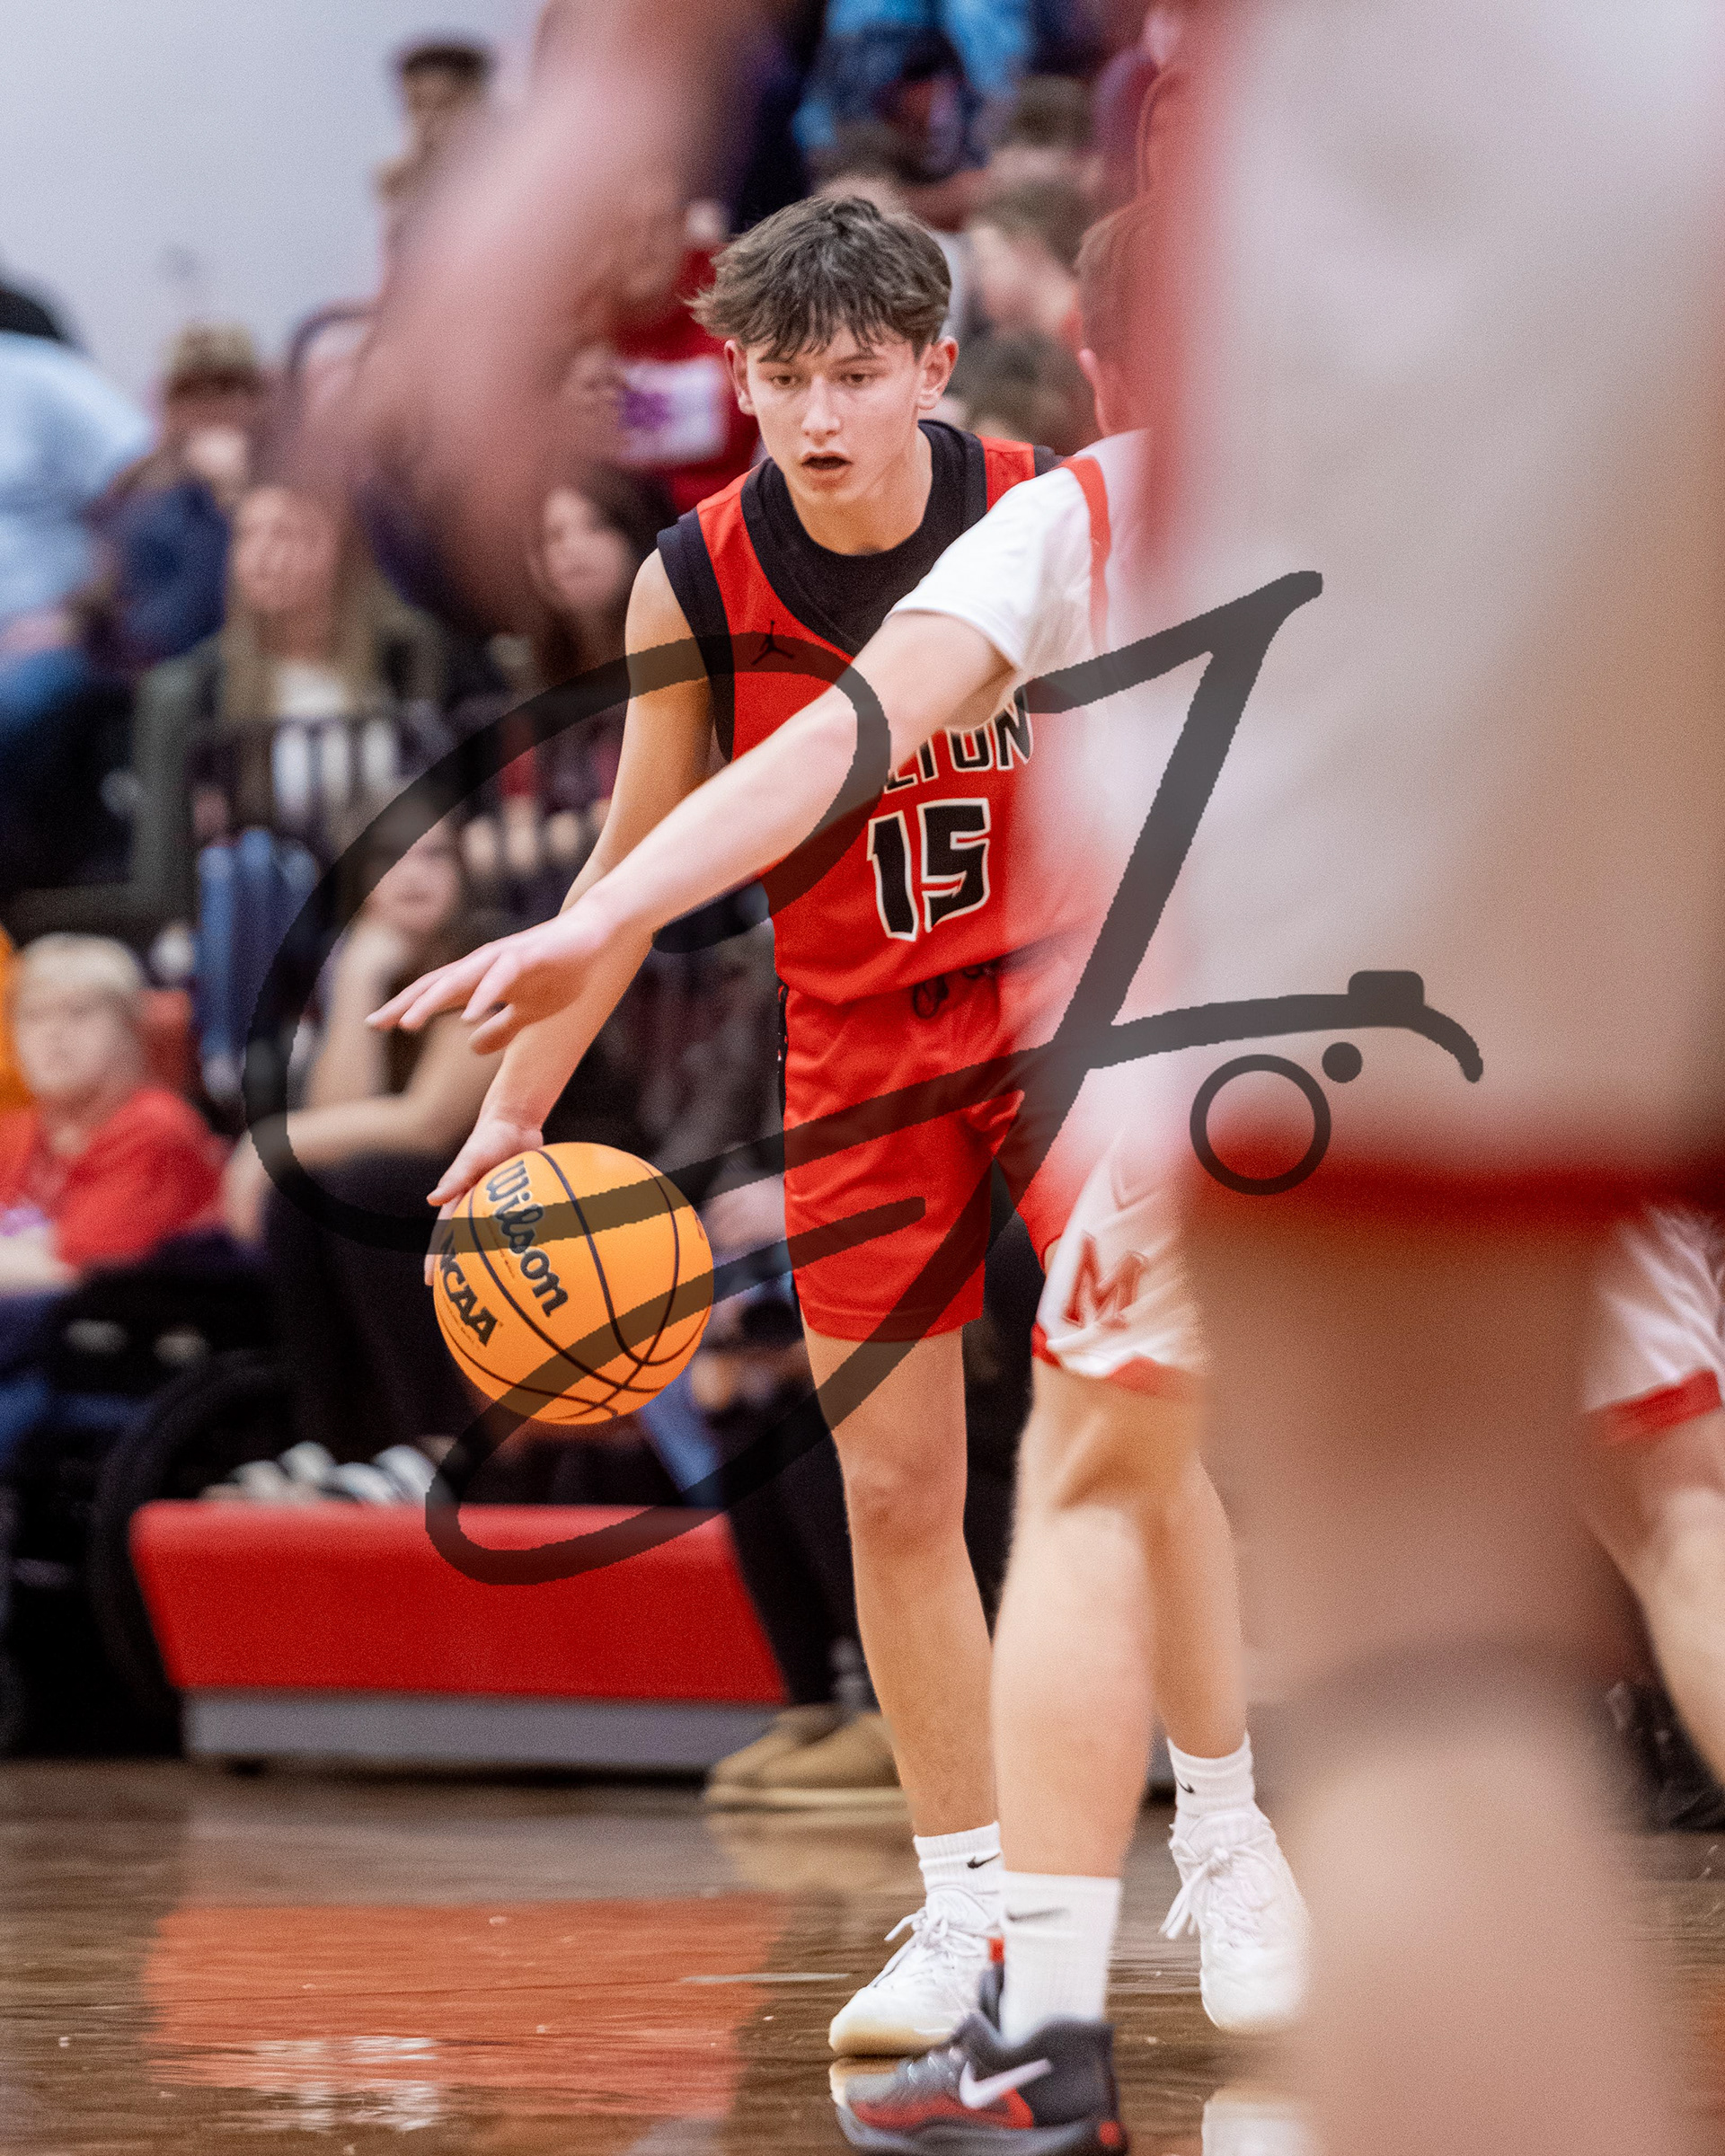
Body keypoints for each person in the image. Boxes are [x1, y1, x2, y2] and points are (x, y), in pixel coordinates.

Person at [369, 196, 1306, 2087]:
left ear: (935, 371)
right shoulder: (697, 581)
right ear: (735, 378)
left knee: (1134, 1434)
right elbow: (632, 868)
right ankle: (967, 1903)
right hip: (858, 1048)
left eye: (857, 375)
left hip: (1067, 1011)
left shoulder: (1040, 511)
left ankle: (1227, 1837)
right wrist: (518, 1106)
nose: (818, 415)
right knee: (891, 1487)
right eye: (784, 377)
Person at [222, 815, 501, 1458]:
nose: (414, 875)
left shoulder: (491, 948)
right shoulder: (370, 964)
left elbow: (430, 1124)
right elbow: (345, 1123)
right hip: (442, 1192)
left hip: (550, 1180)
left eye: (436, 856)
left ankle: (438, 1443)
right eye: (389, 859)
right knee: (305, 1197)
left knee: (369, 1184)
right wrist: (356, 982)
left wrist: (266, 1147)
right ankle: (336, 1450)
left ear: (465, 873)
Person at [103, 322, 270, 671]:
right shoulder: (139, 491)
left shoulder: (292, 477)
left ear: (258, 397)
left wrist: (235, 494)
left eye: (226, 386)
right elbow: (154, 625)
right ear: (166, 403)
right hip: (168, 663)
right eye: (190, 390)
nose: (209, 405)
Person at [376, 39, 496, 255]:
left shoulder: (516, 176)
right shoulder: (401, 183)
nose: (428, 120)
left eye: (447, 105)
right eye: (417, 105)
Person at [965, 181, 1091, 347]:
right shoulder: (1039, 338)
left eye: (984, 261)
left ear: (1029, 252)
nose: (972, 282)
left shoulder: (1091, 332)